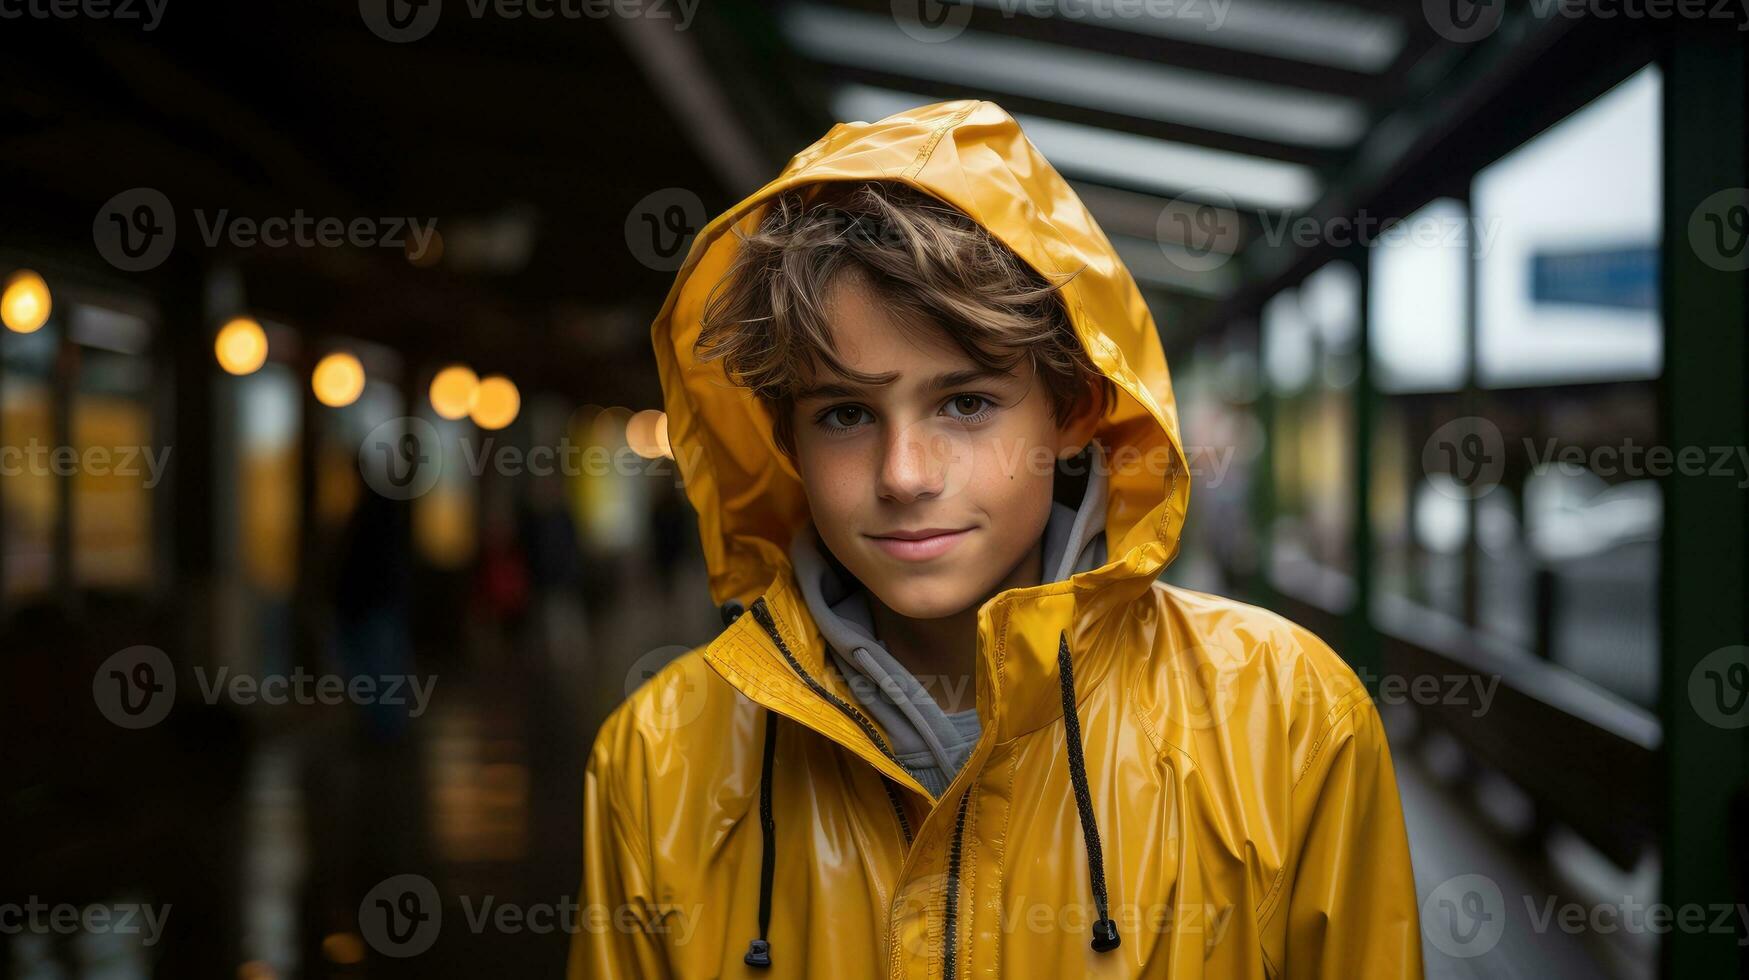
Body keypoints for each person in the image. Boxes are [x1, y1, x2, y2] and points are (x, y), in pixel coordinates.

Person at [569, 100, 1422, 978]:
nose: (904, 473)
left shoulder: (1286, 720)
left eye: (965, 403)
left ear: (1073, 410)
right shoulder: (657, 756)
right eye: (846, 413)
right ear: (785, 440)